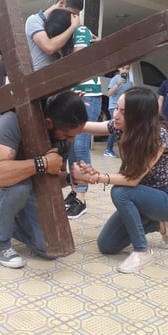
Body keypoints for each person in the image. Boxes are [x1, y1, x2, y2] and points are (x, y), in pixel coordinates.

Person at [71, 87, 168, 274]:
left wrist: (95, 177)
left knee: (120, 191)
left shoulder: (158, 134)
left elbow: (132, 180)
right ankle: (159, 224)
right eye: (116, 108)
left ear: (140, 116)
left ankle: (142, 252)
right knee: (107, 245)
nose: (116, 115)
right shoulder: (119, 127)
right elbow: (82, 127)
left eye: (124, 112)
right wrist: (71, 106)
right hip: (143, 196)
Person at [0, 90, 88, 268]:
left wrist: (73, 178)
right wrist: (43, 163)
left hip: (27, 187)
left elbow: (51, 179)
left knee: (48, 249)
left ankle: (1, 218)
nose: (71, 141)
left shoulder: (63, 138)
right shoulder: (12, 121)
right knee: (18, 186)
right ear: (49, 123)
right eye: (68, 135)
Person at [64, 24, 102, 219]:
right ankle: (74, 190)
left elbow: (80, 54)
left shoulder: (80, 30)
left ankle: (81, 197)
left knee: (80, 146)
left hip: (89, 95)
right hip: (75, 95)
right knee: (71, 146)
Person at [25, 0, 83, 71]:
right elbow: (49, 47)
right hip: (39, 78)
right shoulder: (34, 20)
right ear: (62, 3)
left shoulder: (66, 25)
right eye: (71, 13)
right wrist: (72, 27)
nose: (71, 18)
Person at [103, 65, 133, 158]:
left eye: (127, 69)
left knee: (123, 128)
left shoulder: (130, 82)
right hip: (114, 107)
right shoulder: (115, 79)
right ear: (119, 69)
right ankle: (108, 149)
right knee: (116, 126)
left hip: (125, 108)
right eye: (123, 68)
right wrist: (118, 84)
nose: (125, 71)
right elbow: (109, 93)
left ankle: (123, 148)